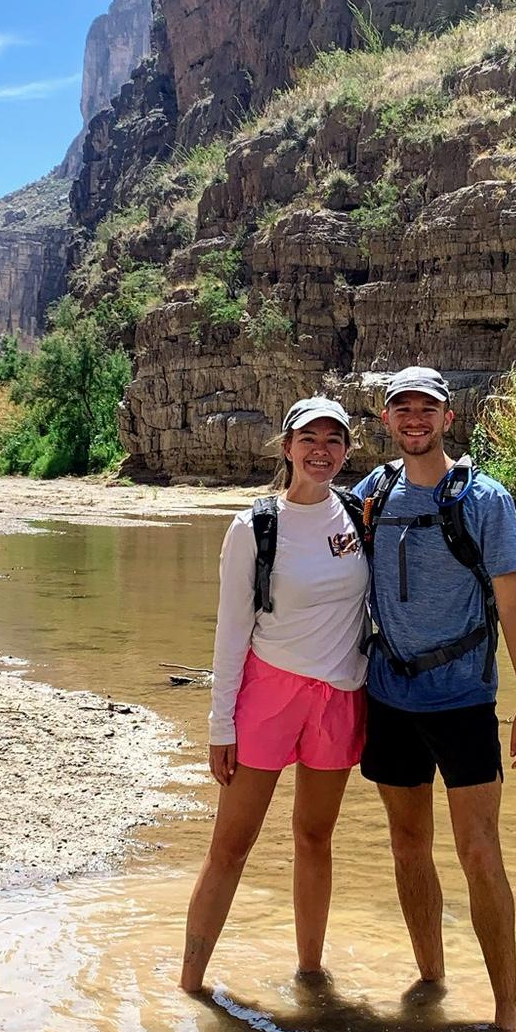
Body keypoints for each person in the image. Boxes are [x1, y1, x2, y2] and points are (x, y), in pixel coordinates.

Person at [354, 366, 516, 1031]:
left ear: (448, 417)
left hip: (463, 700)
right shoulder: (372, 495)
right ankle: (430, 983)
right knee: (407, 844)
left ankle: (507, 1014)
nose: (415, 420)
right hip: (388, 696)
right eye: (402, 409)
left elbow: (513, 601)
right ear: (387, 419)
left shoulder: (485, 499)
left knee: (479, 850)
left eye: (426, 409)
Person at [179, 396, 369, 994]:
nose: (321, 451)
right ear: (286, 448)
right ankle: (189, 987)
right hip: (268, 695)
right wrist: (220, 724)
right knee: (231, 846)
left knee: (315, 839)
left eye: (334, 440)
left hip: (340, 697)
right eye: (308, 439)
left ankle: (311, 975)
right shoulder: (254, 527)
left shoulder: (359, 516)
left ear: (347, 450)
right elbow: (232, 629)